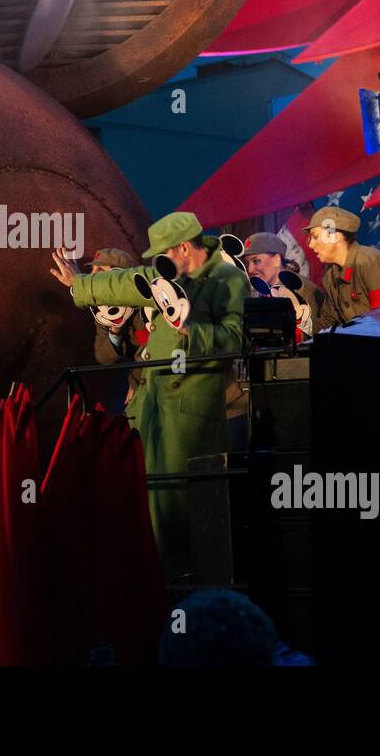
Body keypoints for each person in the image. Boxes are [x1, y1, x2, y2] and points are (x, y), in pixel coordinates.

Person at [51, 211, 246, 575]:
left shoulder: (227, 278)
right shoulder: (168, 273)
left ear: (184, 247)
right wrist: (79, 285)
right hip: (150, 408)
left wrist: (189, 326)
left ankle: (178, 591)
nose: (159, 263)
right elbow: (130, 281)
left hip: (189, 411)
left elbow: (234, 341)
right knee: (144, 504)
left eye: (165, 254)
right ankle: (150, 589)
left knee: (176, 510)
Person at [52, 247, 147, 410]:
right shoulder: (103, 313)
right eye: (92, 270)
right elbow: (103, 357)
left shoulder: (143, 309)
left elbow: (149, 348)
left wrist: (135, 383)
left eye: (100, 270)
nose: (93, 276)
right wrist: (115, 330)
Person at [306, 206, 380, 331]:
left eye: (315, 237)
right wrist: (299, 320)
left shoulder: (371, 262)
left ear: (335, 235)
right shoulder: (331, 277)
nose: (310, 245)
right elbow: (326, 324)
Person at [243, 231, 325, 339]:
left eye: (256, 261)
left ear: (277, 259)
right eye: (247, 263)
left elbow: (312, 335)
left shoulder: (299, 288)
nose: (250, 269)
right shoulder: (264, 291)